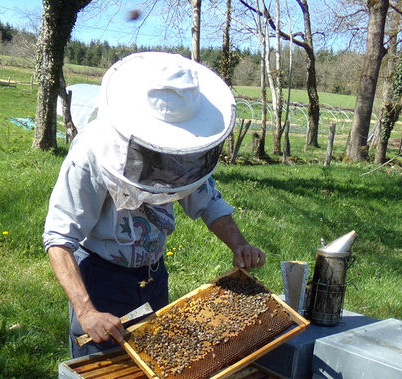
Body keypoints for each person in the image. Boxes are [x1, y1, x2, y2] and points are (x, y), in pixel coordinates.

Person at [43, 52, 266, 358]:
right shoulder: (92, 152)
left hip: (153, 276)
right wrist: (86, 311)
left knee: (154, 367)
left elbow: (208, 202)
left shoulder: (184, 151)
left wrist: (239, 243)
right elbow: (59, 237)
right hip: (101, 278)